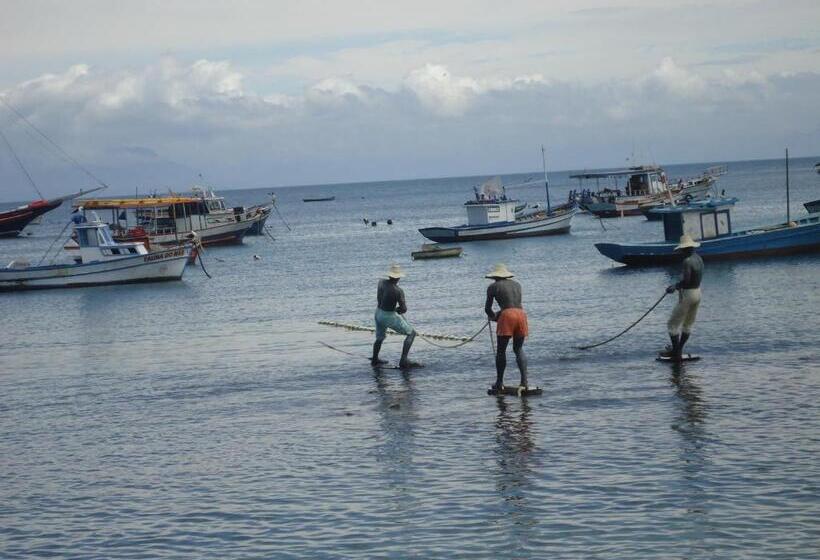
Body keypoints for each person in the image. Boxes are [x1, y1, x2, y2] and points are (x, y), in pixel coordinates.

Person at [485, 264, 529, 390]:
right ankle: (524, 382)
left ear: (495, 276)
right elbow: (513, 305)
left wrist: (494, 317)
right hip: (521, 315)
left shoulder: (493, 287)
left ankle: (499, 383)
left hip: (507, 316)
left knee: (501, 351)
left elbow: (487, 309)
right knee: (518, 349)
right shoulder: (517, 285)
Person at [663, 234, 704, 361]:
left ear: (685, 249)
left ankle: (676, 353)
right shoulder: (698, 259)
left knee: (672, 325)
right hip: (698, 293)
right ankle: (678, 351)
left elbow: (686, 281)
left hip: (688, 295)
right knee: (688, 324)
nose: (681, 252)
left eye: (682, 250)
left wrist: (674, 286)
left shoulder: (687, 261)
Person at [372, 264, 419, 368]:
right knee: (411, 334)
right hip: (388, 316)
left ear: (389, 276)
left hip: (378, 312)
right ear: (398, 277)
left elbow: (382, 298)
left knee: (379, 337)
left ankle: (375, 359)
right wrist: (397, 309)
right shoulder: (398, 291)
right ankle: (403, 360)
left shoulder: (381, 282)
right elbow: (404, 309)